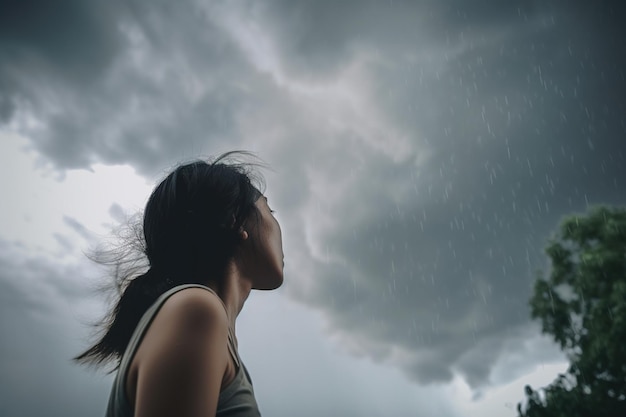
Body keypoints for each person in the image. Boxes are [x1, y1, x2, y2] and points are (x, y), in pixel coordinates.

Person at [75, 151, 284, 417]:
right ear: (237, 220)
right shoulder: (197, 309)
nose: (278, 226)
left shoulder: (198, 316)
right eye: (270, 210)